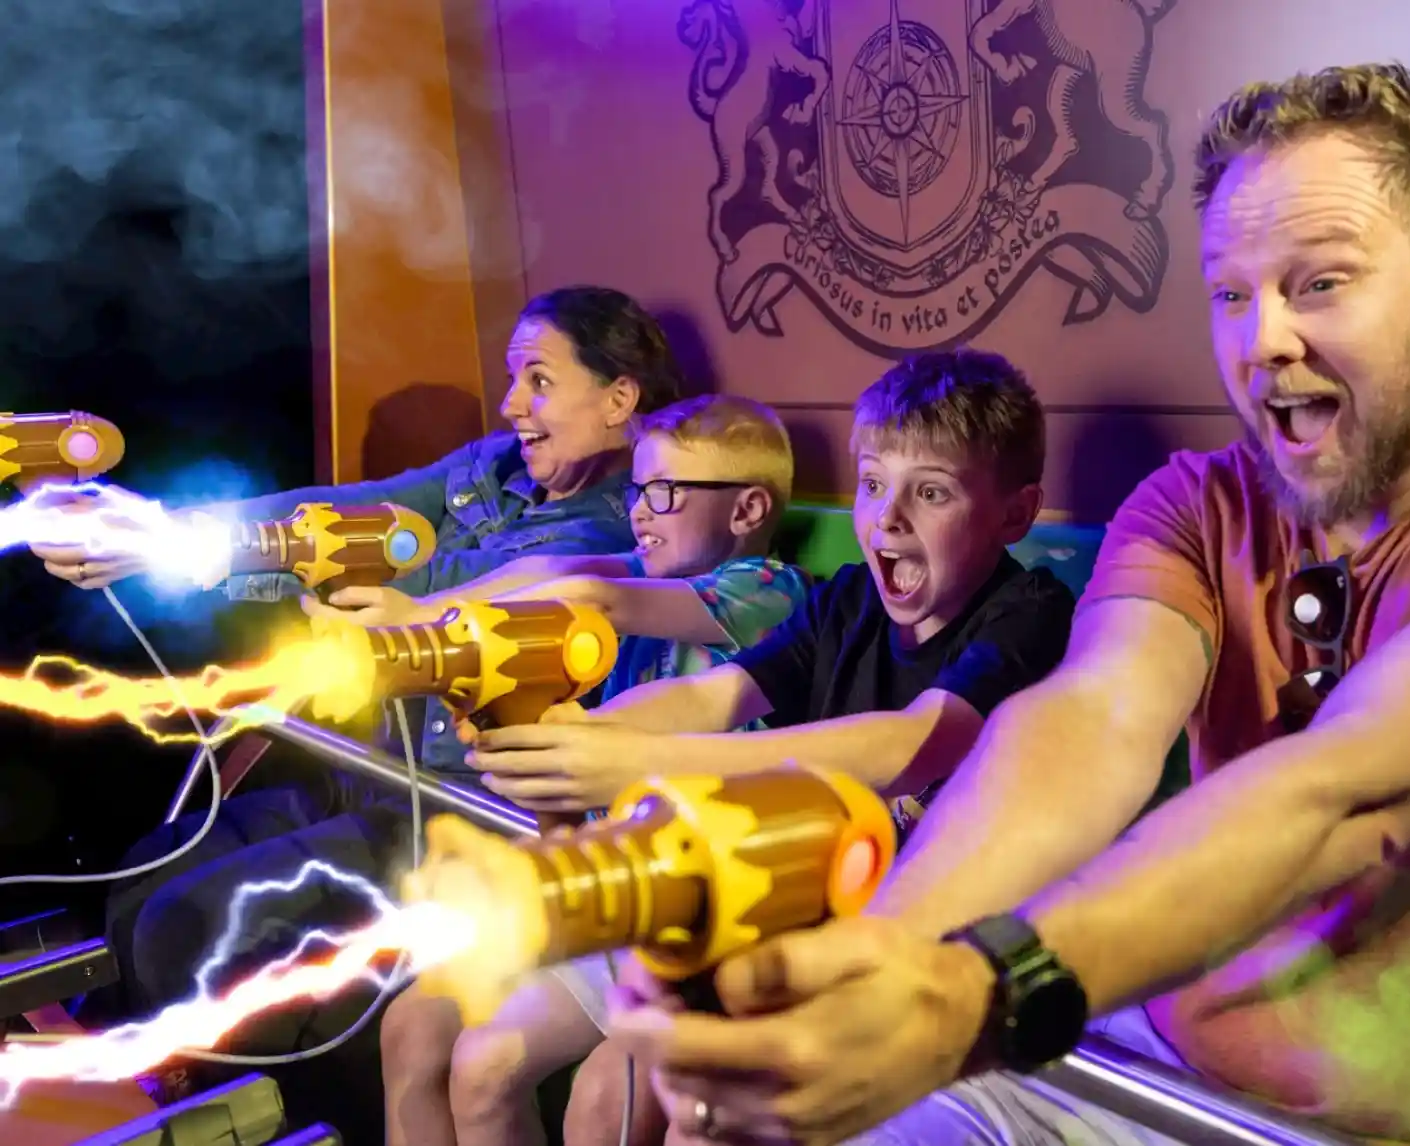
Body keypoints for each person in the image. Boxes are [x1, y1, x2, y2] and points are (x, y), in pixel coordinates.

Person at [598, 64, 1410, 1146]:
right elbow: (1089, 727)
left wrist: (970, 994)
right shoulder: (1195, 503)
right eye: (1231, 294)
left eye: (1319, 283)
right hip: (1162, 1052)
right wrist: (877, 965)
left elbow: (1355, 790)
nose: (1260, 340)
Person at [38, 286, 683, 1039]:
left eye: (538, 381)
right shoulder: (493, 466)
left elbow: (451, 582)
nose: (512, 404)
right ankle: (113, 1056)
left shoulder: (630, 527)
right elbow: (354, 511)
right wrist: (157, 531)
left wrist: (277, 559)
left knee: (194, 919)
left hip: (476, 807)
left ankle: (212, 1082)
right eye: (514, 378)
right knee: (151, 868)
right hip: (378, 772)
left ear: (618, 399)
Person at [544, 347, 1081, 1144]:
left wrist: (648, 764)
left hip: (939, 946)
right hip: (808, 917)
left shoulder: (1030, 613)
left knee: (697, 1123)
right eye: (873, 485)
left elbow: (922, 739)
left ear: (1014, 514)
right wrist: (584, 737)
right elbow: (713, 696)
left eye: (931, 492)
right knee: (605, 1097)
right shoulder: (851, 599)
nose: (887, 519)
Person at [375, 394, 811, 1146]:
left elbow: (594, 594)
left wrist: (423, 626)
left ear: (746, 510)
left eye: (665, 492)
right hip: (613, 887)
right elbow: (560, 570)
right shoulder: (639, 584)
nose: (640, 510)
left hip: (710, 916)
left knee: (598, 1100)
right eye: (638, 489)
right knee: (425, 1032)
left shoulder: (770, 591)